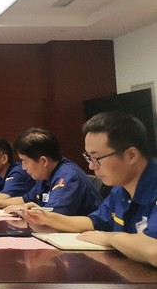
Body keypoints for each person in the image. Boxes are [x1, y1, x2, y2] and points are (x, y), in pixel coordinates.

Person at [22, 111, 157, 267]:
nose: (91, 166)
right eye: (89, 158)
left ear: (131, 155)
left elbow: (153, 250)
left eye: (97, 158)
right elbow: (93, 222)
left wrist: (109, 238)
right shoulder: (120, 189)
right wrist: (46, 218)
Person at [0, 127, 102, 215]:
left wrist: (24, 211)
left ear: (44, 161)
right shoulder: (45, 175)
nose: (23, 168)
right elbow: (25, 199)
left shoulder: (67, 177)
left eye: (25, 162)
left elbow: (54, 216)